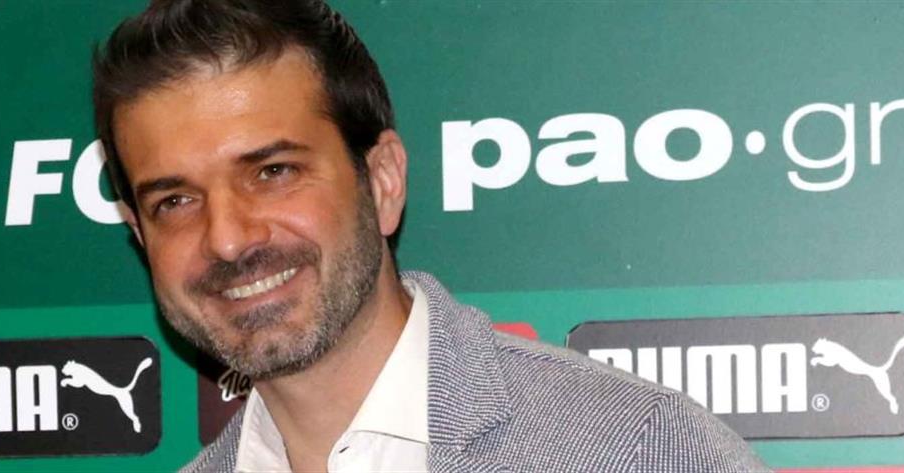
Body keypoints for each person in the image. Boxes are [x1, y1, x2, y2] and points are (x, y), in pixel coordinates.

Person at [92, 1, 770, 471]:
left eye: (273, 172)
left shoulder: (633, 450)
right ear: (140, 237)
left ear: (383, 180)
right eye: (175, 200)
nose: (228, 238)